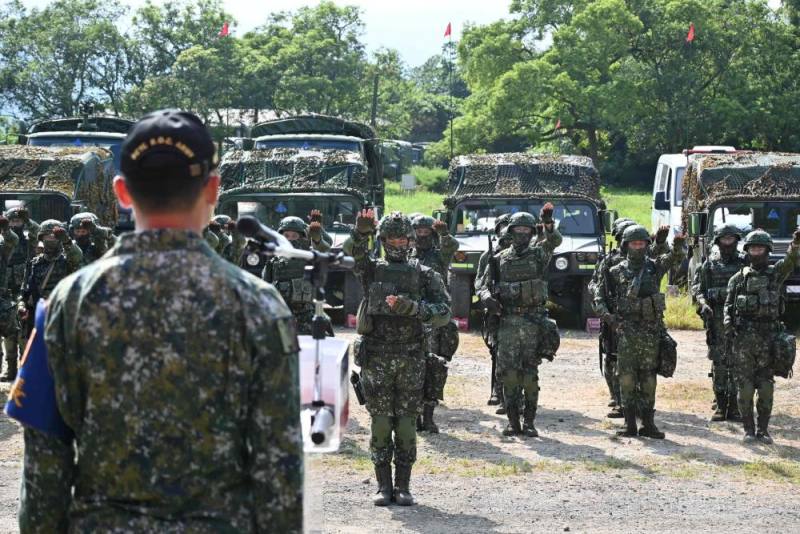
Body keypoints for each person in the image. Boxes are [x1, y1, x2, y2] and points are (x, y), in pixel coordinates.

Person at [15, 109, 303, 532]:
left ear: (122, 191)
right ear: (213, 189)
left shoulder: (66, 303)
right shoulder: (258, 305)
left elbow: (43, 474)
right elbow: (279, 467)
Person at [346, 210, 450, 506]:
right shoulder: (371, 270)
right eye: (391, 239)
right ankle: (383, 486)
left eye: (402, 239)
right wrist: (360, 234)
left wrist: (415, 309)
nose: (397, 244)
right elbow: (354, 255)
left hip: (411, 359)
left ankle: (403, 485)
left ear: (411, 240)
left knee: (406, 425)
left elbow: (444, 312)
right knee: (380, 424)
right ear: (382, 240)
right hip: (377, 359)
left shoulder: (425, 274)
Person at [477, 206, 562, 438]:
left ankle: (530, 422)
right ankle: (513, 422)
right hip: (508, 323)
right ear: (511, 231)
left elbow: (554, 241)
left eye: (526, 230)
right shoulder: (499, 259)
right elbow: (483, 285)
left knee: (530, 376)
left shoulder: (538, 254)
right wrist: (487, 298)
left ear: (532, 232)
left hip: (534, 322)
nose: (522, 233)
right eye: (518, 229)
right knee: (509, 375)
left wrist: (548, 224)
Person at [595, 224, 685, 439]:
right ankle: (629, 424)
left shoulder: (654, 267)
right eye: (634, 244)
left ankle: (648, 424)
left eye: (642, 243)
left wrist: (677, 244)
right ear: (626, 246)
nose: (638, 247)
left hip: (650, 332)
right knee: (626, 378)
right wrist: (610, 319)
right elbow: (599, 298)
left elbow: (675, 258)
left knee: (648, 379)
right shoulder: (615, 271)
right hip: (626, 332)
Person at [724, 228, 800, 443]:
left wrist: (795, 245)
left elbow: (790, 261)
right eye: (753, 249)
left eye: (760, 249)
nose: (756, 252)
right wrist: (728, 323)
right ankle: (748, 429)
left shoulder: (775, 275)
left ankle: (763, 430)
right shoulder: (738, 279)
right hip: (744, 342)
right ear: (747, 251)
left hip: (769, 340)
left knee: (766, 388)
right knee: (745, 389)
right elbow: (728, 306)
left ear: (767, 251)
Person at [691, 224, 746, 422]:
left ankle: (736, 407)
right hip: (716, 320)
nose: (728, 243)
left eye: (731, 239)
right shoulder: (709, 265)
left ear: (736, 241)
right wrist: (704, 304)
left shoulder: (745, 264)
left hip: (740, 320)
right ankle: (721, 406)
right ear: (718, 241)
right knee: (719, 363)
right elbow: (698, 290)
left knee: (738, 363)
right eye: (724, 239)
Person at [410, 215, 459, 433]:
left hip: (436, 318)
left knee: (436, 366)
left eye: (426, 231)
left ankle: (428, 416)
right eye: (418, 231)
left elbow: (452, 246)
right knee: (413, 367)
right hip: (412, 316)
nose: (422, 235)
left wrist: (444, 234)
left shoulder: (439, 255)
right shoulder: (405, 256)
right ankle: (413, 415)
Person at [263, 214, 331, 335]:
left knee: (320, 332)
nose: (290, 239)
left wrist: (319, 232)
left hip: (305, 313)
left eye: (294, 236)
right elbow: (265, 283)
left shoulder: (309, 254)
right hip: (281, 311)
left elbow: (326, 247)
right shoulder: (274, 257)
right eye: (286, 235)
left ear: (302, 236)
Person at [18, 220, 83, 337]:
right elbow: (25, 291)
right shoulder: (34, 263)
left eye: (54, 237)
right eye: (47, 236)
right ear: (42, 239)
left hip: (62, 316)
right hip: (38, 316)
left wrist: (66, 240)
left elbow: (77, 256)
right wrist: (21, 305)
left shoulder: (67, 261)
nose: (51, 239)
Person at [475, 213, 512, 413]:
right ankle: (497, 391)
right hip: (496, 310)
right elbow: (480, 282)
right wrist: (487, 297)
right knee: (497, 352)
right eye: (502, 228)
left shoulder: (527, 253)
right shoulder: (488, 256)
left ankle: (517, 396)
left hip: (519, 309)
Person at [0, 217, 19, 381]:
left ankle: (12, 370)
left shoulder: (3, 252)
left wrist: (5, 229)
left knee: (10, 335)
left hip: (3, 300)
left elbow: (13, 240)